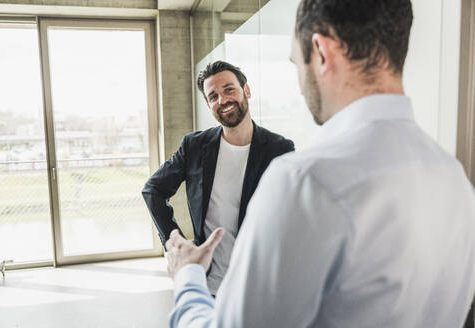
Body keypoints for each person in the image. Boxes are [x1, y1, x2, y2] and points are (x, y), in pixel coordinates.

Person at [165, 0, 475, 327]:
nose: (300, 82)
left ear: (321, 51)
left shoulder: (303, 182)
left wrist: (188, 276)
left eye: (296, 63)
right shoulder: (456, 181)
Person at [142, 61, 295, 295]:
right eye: (213, 96)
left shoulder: (279, 148)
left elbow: (293, 213)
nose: (222, 100)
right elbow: (153, 189)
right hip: (209, 284)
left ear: (247, 90)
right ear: (208, 104)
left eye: (229, 89)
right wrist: (175, 240)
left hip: (260, 284)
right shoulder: (194, 146)